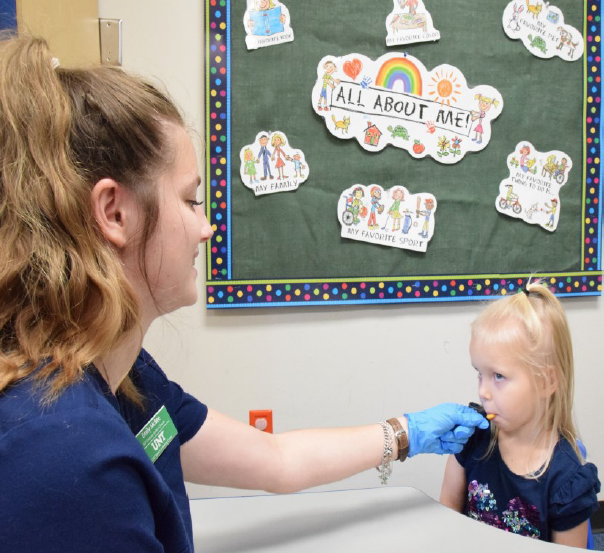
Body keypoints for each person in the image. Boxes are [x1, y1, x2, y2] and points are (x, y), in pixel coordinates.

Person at [0, 35, 488, 553]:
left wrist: (406, 431)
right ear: (115, 213)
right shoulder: (64, 454)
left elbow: (276, 460)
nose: (205, 229)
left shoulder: (124, 379)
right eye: (190, 201)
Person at [439, 280, 600, 547]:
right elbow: (446, 524)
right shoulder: (471, 440)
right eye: (480, 374)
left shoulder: (567, 480)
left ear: (547, 382)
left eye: (498, 376)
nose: (483, 392)